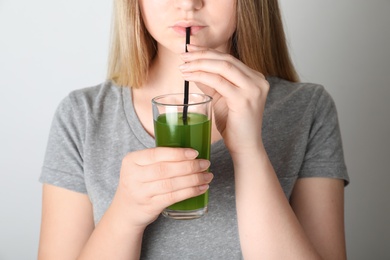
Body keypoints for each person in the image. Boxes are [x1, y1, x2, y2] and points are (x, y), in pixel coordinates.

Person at [38, 0, 349, 259]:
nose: (188, 4)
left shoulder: (308, 108)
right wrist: (125, 214)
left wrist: (249, 151)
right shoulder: (82, 116)